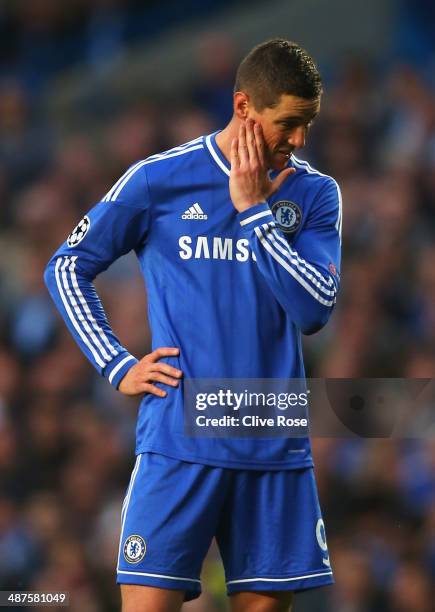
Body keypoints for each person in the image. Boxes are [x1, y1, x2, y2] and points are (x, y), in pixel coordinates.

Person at [45, 39, 342, 612]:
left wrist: (255, 212)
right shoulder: (160, 181)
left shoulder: (315, 194)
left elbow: (314, 311)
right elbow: (67, 266)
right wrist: (117, 364)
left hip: (270, 441)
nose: (300, 140)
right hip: (180, 441)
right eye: (289, 123)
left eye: (309, 124)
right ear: (242, 108)